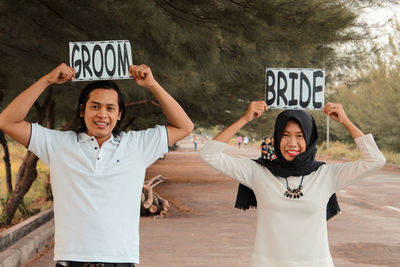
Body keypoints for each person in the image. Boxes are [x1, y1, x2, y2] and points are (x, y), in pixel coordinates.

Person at [0, 63, 194, 267]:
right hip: (71, 261)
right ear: (82, 111)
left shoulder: (137, 146)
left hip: (121, 260)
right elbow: (7, 121)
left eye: (110, 108)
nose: (102, 114)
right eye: (95, 106)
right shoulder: (58, 145)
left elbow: (185, 126)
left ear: (119, 114)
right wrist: (46, 80)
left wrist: (152, 84)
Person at [200, 101, 385, 267]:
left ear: (310, 138)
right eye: (285, 135)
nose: (292, 143)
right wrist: (244, 119)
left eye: (300, 136)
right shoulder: (258, 172)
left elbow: (375, 160)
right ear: (277, 137)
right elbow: (209, 155)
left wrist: (346, 121)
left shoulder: (326, 175)